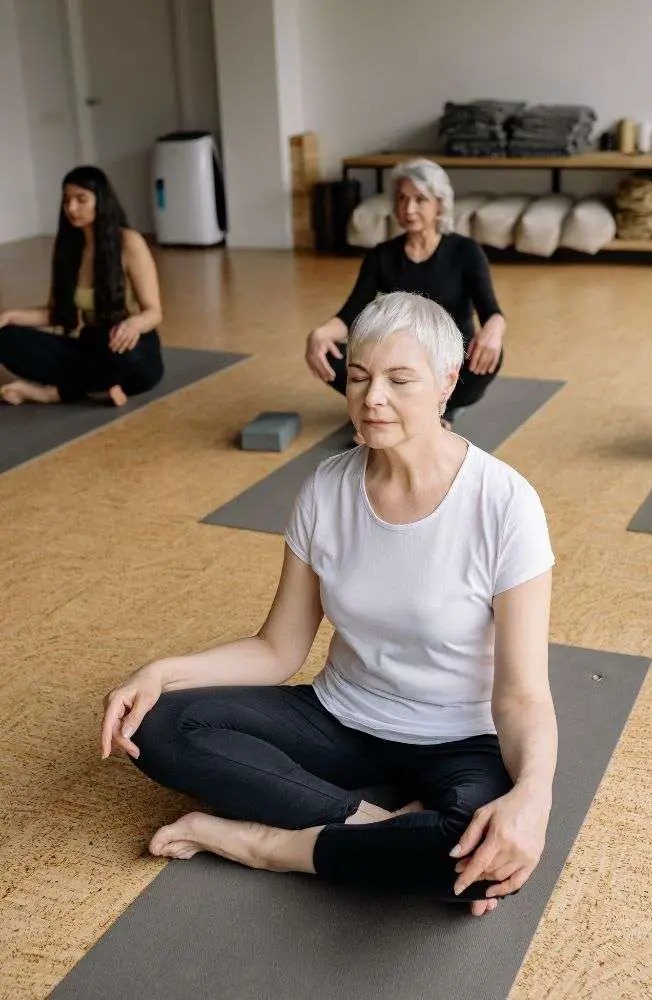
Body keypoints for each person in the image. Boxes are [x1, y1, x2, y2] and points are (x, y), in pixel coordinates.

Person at [101, 292, 556, 918]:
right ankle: (379, 827)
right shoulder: (325, 488)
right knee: (154, 726)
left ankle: (267, 845)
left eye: (400, 380)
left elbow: (522, 696)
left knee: (488, 863)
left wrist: (534, 794)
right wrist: (162, 672)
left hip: (461, 739)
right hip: (341, 717)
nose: (372, 399)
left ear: (449, 382)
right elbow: (277, 649)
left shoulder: (506, 504)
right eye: (360, 376)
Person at [305, 158, 506, 432]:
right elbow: (350, 314)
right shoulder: (381, 255)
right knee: (328, 352)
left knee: (492, 354)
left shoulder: (465, 251)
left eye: (420, 199)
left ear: (439, 205)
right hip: (399, 356)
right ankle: (394, 406)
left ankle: (439, 408)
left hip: (449, 357)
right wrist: (319, 334)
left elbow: (490, 311)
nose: (408, 209)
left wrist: (495, 328)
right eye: (401, 199)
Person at [0, 165, 163, 406]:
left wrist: (133, 325)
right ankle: (97, 388)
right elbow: (56, 313)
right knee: (6, 339)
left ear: (101, 200)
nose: (72, 208)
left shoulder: (128, 242)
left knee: (130, 362)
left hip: (129, 343)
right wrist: (10, 315)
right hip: (90, 345)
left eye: (81, 199)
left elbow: (154, 312)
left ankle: (51, 394)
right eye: (67, 201)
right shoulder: (67, 247)